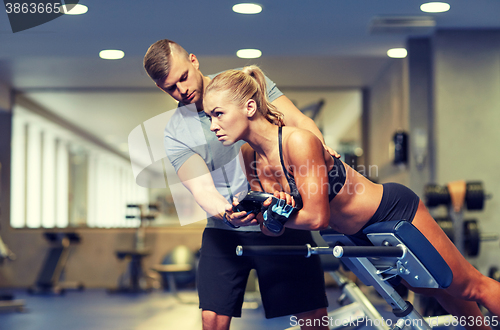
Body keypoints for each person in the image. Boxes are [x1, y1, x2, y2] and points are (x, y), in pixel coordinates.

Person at [203, 65, 500, 330]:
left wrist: (280, 213)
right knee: (436, 289)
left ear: (250, 107)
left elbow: (319, 217)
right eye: (208, 116)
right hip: (357, 233)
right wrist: (260, 216)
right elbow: (272, 229)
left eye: (219, 114)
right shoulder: (248, 154)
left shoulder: (298, 142)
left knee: (470, 286)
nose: (213, 125)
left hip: (390, 213)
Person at [143, 39, 337, 330]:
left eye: (183, 77)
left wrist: (321, 150)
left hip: (280, 219)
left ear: (194, 61)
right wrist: (226, 212)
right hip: (225, 231)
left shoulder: (243, 84)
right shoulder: (175, 132)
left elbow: (296, 120)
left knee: (313, 319)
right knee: (212, 319)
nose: (181, 90)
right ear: (161, 88)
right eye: (171, 87)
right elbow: (202, 189)